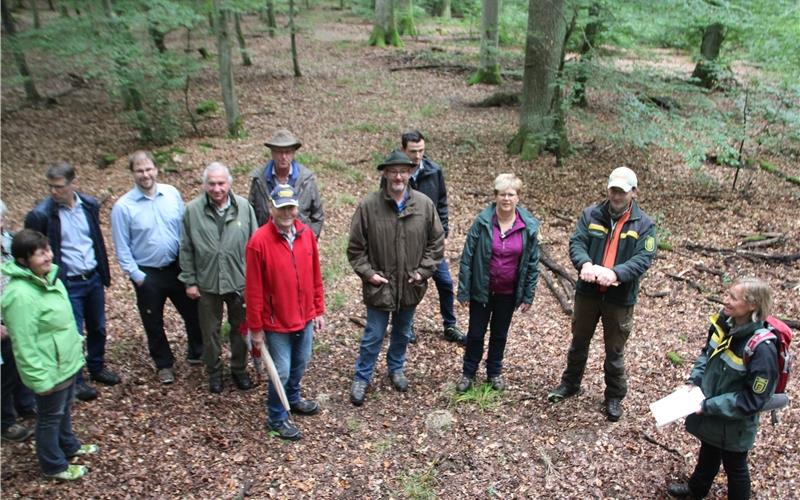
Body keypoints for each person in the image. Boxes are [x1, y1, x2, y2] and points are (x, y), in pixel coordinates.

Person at [547, 166, 657, 421]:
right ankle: (570, 383)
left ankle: (615, 396)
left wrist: (617, 273)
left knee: (615, 351)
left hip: (620, 298)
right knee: (578, 343)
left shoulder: (644, 224)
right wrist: (584, 263)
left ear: (634, 192)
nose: (616, 196)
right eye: (613, 190)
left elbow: (644, 258)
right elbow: (577, 242)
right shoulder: (591, 214)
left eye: (622, 192)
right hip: (588, 293)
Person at [667, 277, 779, 500]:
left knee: (735, 467)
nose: (725, 301)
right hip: (712, 411)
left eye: (733, 298)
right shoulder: (724, 322)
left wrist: (708, 405)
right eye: (727, 294)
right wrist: (694, 381)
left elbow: (753, 400)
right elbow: (706, 354)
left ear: (752, 305)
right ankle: (695, 490)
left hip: (735, 422)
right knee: (708, 451)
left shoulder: (762, 349)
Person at [347, 150, 444, 406]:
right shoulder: (369, 206)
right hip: (380, 285)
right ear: (385, 173)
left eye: (403, 170)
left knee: (402, 331)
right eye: (393, 171)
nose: (398, 176)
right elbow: (356, 248)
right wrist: (369, 274)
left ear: (410, 172)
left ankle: (396, 368)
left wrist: (423, 272)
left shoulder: (424, 205)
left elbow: (437, 242)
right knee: (373, 335)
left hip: (410, 284)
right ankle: (362, 377)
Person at [1, 229, 99, 480]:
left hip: (65, 363)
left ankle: (69, 446)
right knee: (48, 418)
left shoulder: (49, 279)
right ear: (23, 260)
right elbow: (24, 344)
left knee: (64, 409)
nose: (48, 256)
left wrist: (76, 344)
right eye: (39, 253)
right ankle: (53, 465)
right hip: (48, 369)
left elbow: (63, 322)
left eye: (48, 250)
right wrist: (39, 379)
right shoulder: (20, 295)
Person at [24, 163, 120, 402]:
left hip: (92, 277)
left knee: (97, 326)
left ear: (72, 184)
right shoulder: (42, 214)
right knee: (73, 331)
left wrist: (102, 271)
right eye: (51, 187)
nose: (54, 191)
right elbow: (33, 250)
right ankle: (76, 380)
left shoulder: (88, 205)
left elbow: (95, 240)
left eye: (59, 186)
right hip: (68, 282)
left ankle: (97, 367)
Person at [111, 151, 203, 385]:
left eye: (148, 169)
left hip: (177, 267)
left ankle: (197, 352)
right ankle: (164, 364)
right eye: (139, 170)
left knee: (193, 312)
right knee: (153, 321)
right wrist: (137, 276)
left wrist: (189, 264)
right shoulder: (123, 207)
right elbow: (122, 247)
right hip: (148, 272)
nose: (145, 175)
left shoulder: (171, 194)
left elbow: (184, 230)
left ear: (156, 169)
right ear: (133, 173)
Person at [245, 184, 325, 441]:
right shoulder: (259, 241)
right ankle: (277, 417)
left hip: (305, 317)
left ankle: (293, 397)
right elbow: (254, 289)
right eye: (282, 208)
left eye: (291, 207)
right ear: (271, 208)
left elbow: (315, 276)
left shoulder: (306, 234)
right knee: (281, 370)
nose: (287, 213)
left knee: (300, 363)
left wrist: (318, 309)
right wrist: (255, 329)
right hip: (275, 321)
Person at [455, 173, 540, 393]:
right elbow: (467, 257)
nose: (506, 199)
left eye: (511, 194)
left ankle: (494, 372)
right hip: (481, 289)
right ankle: (468, 373)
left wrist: (528, 295)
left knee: (499, 334)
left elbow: (532, 264)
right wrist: (464, 290)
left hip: (508, 292)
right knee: (475, 333)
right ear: (495, 196)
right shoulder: (483, 222)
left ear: (518, 197)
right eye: (502, 194)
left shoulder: (527, 227)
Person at [179, 163, 258, 394]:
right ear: (205, 185)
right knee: (209, 332)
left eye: (221, 183)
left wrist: (255, 281)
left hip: (239, 282)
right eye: (212, 183)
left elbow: (255, 245)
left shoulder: (244, 207)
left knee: (240, 329)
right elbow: (186, 248)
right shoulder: (192, 210)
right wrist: (190, 281)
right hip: (207, 283)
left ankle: (239, 370)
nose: (217, 188)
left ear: (229, 183)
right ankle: (214, 372)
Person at [400, 130, 465, 344]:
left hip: (432, 240)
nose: (417, 156)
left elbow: (443, 202)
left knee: (445, 283)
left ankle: (450, 325)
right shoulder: (396, 172)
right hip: (406, 241)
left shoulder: (434, 171)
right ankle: (405, 325)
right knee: (409, 284)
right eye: (413, 151)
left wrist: (444, 233)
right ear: (403, 150)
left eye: (421, 151)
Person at [1, 200, 36, 442]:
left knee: (20, 362)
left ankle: (25, 404)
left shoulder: (9, 241)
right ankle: (6, 423)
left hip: (18, 314)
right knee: (4, 374)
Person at [249, 128, 324, 238]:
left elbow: (317, 215)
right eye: (279, 152)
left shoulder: (306, 179)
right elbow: (251, 213)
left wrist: (309, 239)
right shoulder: (260, 179)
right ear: (272, 153)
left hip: (299, 242)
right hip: (267, 243)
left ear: (293, 153)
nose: (283, 157)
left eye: (287, 152)